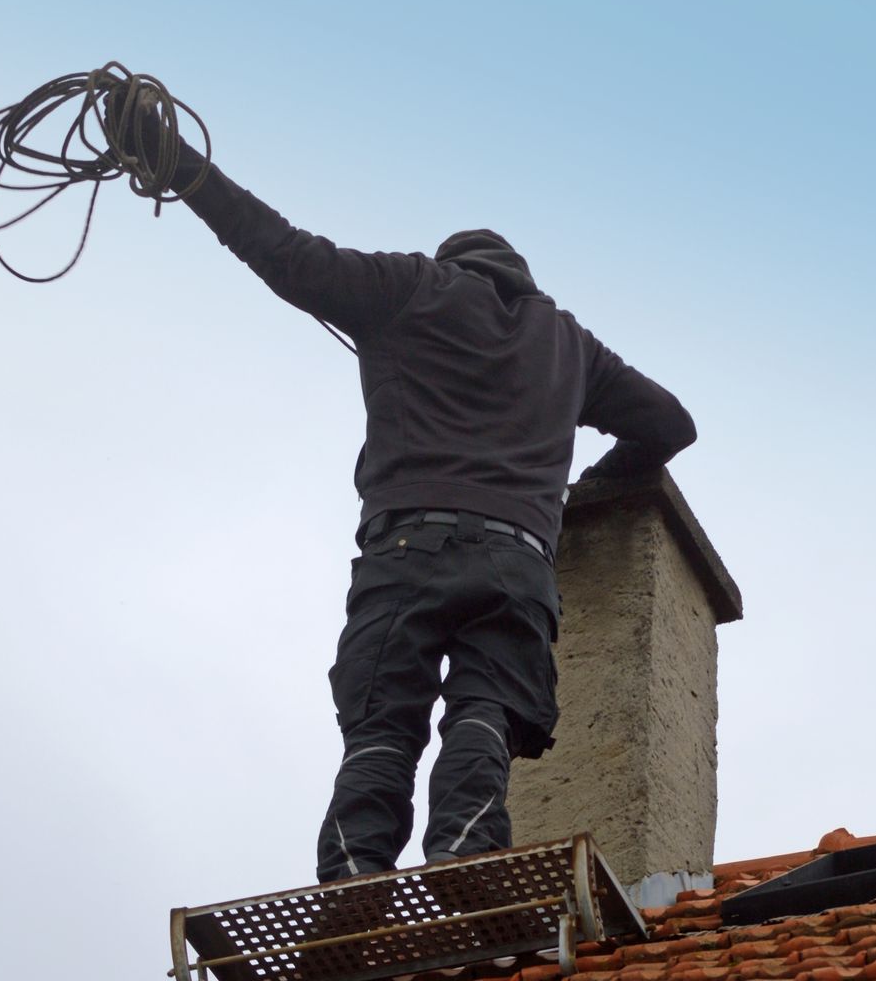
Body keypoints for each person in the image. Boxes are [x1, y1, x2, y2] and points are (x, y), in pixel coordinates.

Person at [107, 86, 695, 882]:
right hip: (519, 562)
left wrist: (172, 162)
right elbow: (669, 425)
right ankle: (464, 861)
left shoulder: (408, 288)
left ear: (454, 264)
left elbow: (280, 250)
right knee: (485, 714)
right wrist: (586, 490)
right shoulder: (567, 342)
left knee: (385, 725)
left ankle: (354, 884)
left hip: (409, 549)